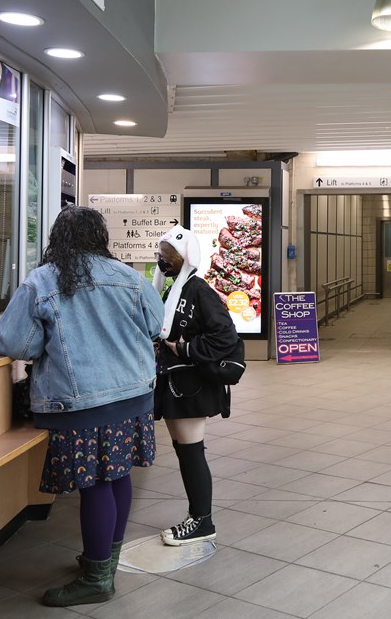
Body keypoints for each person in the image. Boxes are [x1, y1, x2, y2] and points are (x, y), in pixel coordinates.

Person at [0, 206, 163, 608]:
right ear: (99, 237)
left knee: (94, 484)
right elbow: (156, 326)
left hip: (81, 401)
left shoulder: (42, 281)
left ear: (58, 239)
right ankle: (104, 560)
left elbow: (15, 343)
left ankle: (96, 578)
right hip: (134, 395)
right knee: (117, 474)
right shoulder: (128, 277)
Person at [152, 224, 239, 546]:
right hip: (178, 384)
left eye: (164, 256)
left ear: (180, 259)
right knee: (186, 451)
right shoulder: (176, 289)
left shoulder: (197, 290)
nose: (160, 262)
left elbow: (226, 336)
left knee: (191, 453)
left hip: (192, 385)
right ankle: (199, 517)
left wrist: (186, 348)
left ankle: (202, 520)